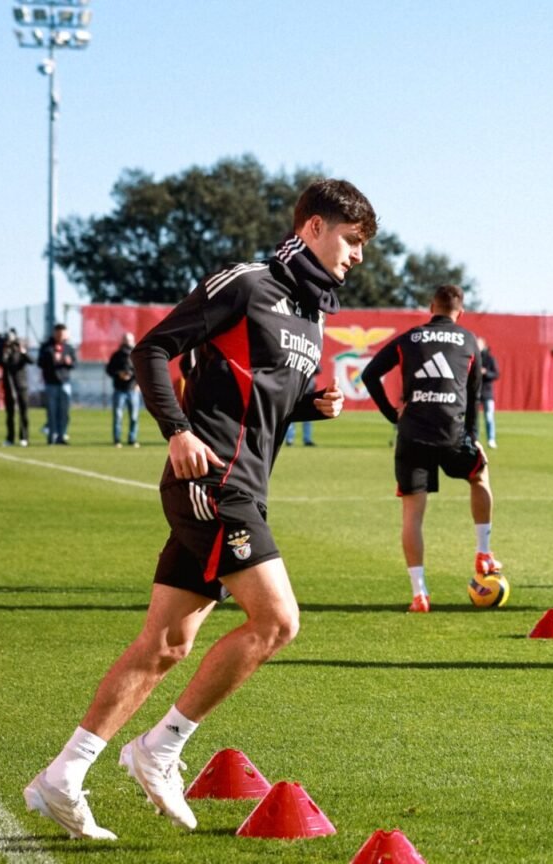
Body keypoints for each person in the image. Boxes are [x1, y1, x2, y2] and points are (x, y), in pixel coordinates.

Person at [23, 178, 374, 841]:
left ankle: (63, 776)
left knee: (165, 645)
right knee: (276, 622)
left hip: (240, 485)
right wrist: (177, 431)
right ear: (314, 228)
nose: (357, 256)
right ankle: (159, 748)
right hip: (212, 482)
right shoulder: (246, 283)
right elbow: (152, 349)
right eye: (352, 241)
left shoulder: (312, 315)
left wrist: (309, 404)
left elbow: (257, 394)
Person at [361, 284, 498, 614]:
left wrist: (392, 415)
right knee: (480, 476)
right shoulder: (468, 340)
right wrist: (474, 436)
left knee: (412, 516)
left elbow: (369, 375)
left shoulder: (409, 338)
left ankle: (419, 593)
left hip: (412, 436)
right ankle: (483, 551)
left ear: (430, 307)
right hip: (452, 433)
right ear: (459, 311)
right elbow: (475, 394)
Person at [37, 323, 77, 445]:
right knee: (52, 412)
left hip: (65, 383)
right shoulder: (46, 347)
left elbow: (74, 364)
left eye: (62, 333)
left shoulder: (68, 348)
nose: (60, 336)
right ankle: (52, 436)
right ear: (55, 333)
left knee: (64, 412)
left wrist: (68, 362)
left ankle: (62, 436)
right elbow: (40, 363)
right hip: (51, 383)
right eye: (58, 333)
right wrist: (52, 359)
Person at [0, 330, 32, 446]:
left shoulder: (19, 350)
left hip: (21, 385)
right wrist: (4, 350)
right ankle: (10, 438)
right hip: (8, 385)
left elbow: (31, 361)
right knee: (10, 413)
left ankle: (24, 437)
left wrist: (22, 351)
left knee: (23, 412)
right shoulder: (5, 351)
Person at [107, 332, 141, 447]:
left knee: (134, 416)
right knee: (118, 416)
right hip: (119, 390)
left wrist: (138, 383)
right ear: (122, 341)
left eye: (129, 340)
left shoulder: (137, 354)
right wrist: (119, 374)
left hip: (132, 390)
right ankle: (117, 440)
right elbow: (109, 370)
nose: (127, 342)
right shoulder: (116, 355)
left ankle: (132, 439)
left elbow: (141, 371)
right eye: (125, 340)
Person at [477, 336, 499, 447]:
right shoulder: (473, 358)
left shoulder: (490, 359)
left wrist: (485, 372)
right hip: (475, 391)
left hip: (487, 392)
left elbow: (496, 374)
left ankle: (491, 439)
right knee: (473, 418)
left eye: (479, 344)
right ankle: (474, 439)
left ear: (483, 345)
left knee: (489, 416)